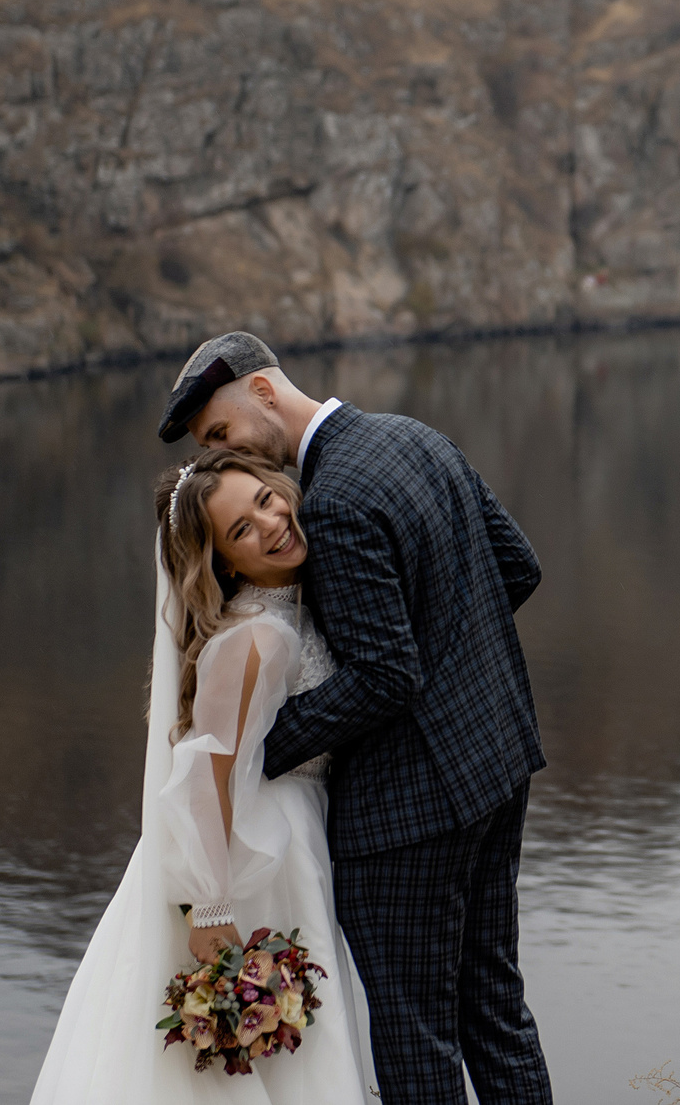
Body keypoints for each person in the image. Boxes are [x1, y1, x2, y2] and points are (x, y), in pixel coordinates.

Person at [158, 331, 553, 1105]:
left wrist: (265, 746)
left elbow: (384, 673)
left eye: (220, 432)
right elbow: (518, 565)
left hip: (406, 815)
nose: (220, 452)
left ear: (263, 393)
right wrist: (453, 669)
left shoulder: (332, 502)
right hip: (498, 764)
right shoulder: (414, 435)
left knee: (416, 1041)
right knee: (495, 1010)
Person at [30, 445, 380, 1105]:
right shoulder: (256, 638)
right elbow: (204, 773)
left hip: (280, 834)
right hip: (253, 856)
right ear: (224, 560)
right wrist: (211, 906)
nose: (272, 522)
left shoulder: (286, 606)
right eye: (242, 529)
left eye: (266, 499)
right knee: (255, 1056)